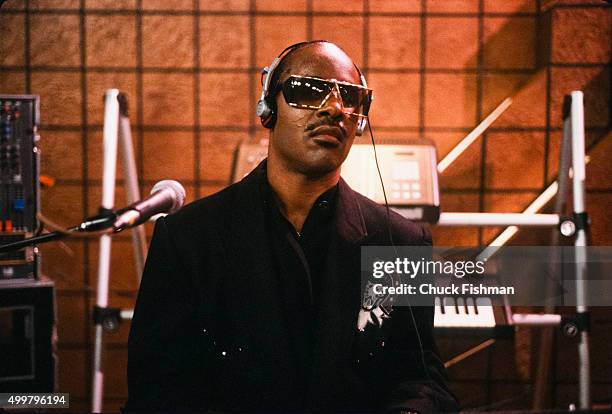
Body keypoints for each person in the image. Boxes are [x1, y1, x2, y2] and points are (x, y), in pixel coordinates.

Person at [126, 40, 458, 413]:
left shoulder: (401, 243)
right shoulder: (188, 238)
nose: (335, 108)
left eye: (350, 97)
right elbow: (156, 390)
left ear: (360, 120)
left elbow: (422, 380)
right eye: (309, 90)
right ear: (269, 108)